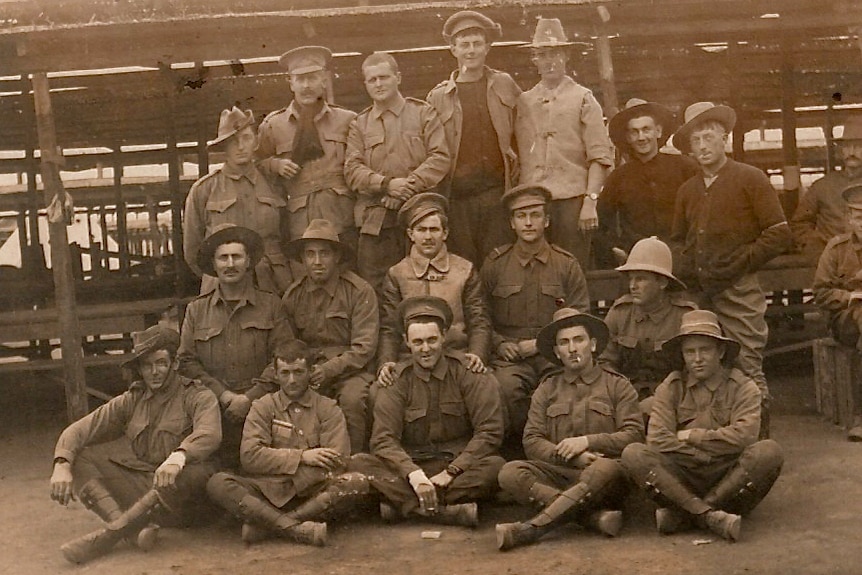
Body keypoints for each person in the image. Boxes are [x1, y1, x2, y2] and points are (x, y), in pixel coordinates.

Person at [670, 102, 793, 434]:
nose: (704, 146)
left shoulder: (750, 178)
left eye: (709, 137)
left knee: (747, 364)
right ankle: (718, 441)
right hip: (701, 294)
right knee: (704, 366)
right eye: (696, 141)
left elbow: (779, 233)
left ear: (724, 138)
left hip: (739, 290)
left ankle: (759, 442)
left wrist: (741, 261)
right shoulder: (687, 191)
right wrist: (689, 271)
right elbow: (679, 239)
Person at [50, 326, 221, 564]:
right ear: (139, 369)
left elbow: (209, 434)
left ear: (174, 364)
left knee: (196, 472)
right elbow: (79, 430)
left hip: (183, 502)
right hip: (145, 488)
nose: (154, 372)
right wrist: (62, 463)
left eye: (161, 363)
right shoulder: (133, 399)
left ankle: (110, 536)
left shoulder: (197, 396)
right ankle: (132, 530)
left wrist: (178, 458)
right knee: (81, 458)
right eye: (147, 365)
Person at [621, 310, 784, 542]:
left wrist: (691, 436)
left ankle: (686, 513)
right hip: (682, 474)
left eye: (705, 350)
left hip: (728, 474)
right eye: (690, 351)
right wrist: (708, 450)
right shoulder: (671, 387)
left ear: (720, 352)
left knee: (769, 451)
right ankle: (710, 516)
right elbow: (657, 440)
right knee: (633, 453)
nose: (697, 358)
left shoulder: (743, 387)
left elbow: (744, 437)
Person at [495, 308, 643, 550]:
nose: (572, 348)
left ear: (593, 345)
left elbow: (634, 434)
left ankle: (531, 529)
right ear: (556, 352)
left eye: (579, 340)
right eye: (564, 343)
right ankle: (590, 518)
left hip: (605, 476)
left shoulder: (617, 385)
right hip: (561, 473)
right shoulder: (547, 388)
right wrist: (570, 457)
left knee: (603, 470)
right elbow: (532, 440)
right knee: (509, 472)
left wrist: (588, 441)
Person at [350, 296, 505, 526]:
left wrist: (452, 471)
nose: (425, 349)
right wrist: (415, 476)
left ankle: (404, 506)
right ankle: (448, 512)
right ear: (406, 342)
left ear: (444, 336)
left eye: (432, 340)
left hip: (457, 468)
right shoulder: (396, 381)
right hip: (410, 468)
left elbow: (489, 432)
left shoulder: (468, 373)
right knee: (359, 463)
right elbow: (384, 440)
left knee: (496, 467)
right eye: (418, 341)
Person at [207, 341, 367, 546]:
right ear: (275, 374)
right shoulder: (262, 407)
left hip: (312, 493)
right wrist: (302, 456)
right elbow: (250, 457)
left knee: (357, 482)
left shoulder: (328, 409)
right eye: (285, 373)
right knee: (218, 483)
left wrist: (287, 470)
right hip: (267, 491)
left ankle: (269, 526)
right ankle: (297, 528)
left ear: (310, 372)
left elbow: (337, 459)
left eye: (299, 372)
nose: (292, 380)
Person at [480, 183, 590, 449]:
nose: (528, 223)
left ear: (547, 220)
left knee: (563, 388)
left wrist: (543, 343)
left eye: (535, 215)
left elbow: (580, 315)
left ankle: (559, 450)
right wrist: (499, 344)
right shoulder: (495, 264)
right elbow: (480, 315)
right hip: (511, 357)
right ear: (512, 223)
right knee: (503, 389)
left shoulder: (566, 264)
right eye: (521, 216)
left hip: (554, 355)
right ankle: (519, 452)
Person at [178, 225, 291, 469]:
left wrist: (249, 398)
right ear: (214, 264)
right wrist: (225, 396)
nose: (230, 264)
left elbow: (284, 357)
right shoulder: (196, 310)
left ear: (248, 261)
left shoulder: (271, 305)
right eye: (223, 257)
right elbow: (186, 362)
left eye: (237, 256)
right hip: (212, 408)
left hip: (263, 406)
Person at [345, 51, 450, 296]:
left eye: (384, 77)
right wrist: (386, 184)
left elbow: (439, 158)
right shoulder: (359, 124)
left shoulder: (423, 113)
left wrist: (406, 188)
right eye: (372, 80)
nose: (379, 84)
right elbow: (352, 170)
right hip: (377, 221)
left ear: (398, 78)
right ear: (366, 84)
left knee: (423, 283)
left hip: (419, 216)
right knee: (376, 289)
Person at [515, 18, 614, 268]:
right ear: (534, 59)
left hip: (572, 202)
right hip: (534, 200)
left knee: (572, 268)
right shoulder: (523, 102)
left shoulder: (583, 98)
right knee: (535, 269)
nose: (550, 61)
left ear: (567, 55)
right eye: (543, 54)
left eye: (556, 53)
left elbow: (599, 156)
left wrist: (590, 201)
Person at [426, 10, 520, 264]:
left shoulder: (504, 84)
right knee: (464, 265)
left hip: (498, 193)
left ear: (487, 47)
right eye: (464, 45)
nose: (471, 50)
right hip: (458, 199)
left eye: (477, 44)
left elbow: (523, 131)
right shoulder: (437, 97)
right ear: (453, 49)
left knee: (499, 262)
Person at [279, 218, 378, 453]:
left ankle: (354, 461)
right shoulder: (293, 295)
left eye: (324, 253)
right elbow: (288, 345)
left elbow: (364, 348)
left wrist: (329, 369)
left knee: (352, 401)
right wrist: (307, 371)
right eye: (310, 254)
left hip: (353, 372)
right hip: (309, 371)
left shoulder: (359, 291)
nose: (317, 261)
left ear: (337, 257)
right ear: (302, 259)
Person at [256, 45, 358, 266]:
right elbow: (255, 165)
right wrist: (275, 164)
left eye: (312, 78)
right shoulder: (274, 125)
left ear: (324, 79)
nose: (306, 86)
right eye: (299, 79)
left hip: (341, 220)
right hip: (299, 225)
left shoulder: (347, 120)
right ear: (290, 82)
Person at [377, 192, 491, 385]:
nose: (428, 236)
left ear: (445, 233)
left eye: (434, 229)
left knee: (489, 388)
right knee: (380, 393)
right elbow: (389, 327)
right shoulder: (397, 274)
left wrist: (477, 354)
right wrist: (387, 362)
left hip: (458, 358)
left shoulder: (465, 270)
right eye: (421, 230)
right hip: (410, 362)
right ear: (411, 234)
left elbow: (479, 321)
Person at [183, 106, 291, 295]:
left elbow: (287, 236)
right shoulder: (204, 190)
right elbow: (193, 252)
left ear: (255, 141)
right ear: (224, 147)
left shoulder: (274, 185)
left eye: (246, 138)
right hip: (224, 290)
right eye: (233, 142)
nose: (240, 147)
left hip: (272, 286)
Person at [600, 236, 696, 417]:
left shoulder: (684, 316)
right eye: (630, 278)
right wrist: (622, 395)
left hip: (674, 400)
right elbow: (604, 361)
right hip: (625, 395)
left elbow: (696, 371)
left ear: (662, 283)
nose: (632, 286)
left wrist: (663, 398)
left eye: (641, 279)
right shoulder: (620, 312)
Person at [598, 98, 698, 267]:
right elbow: (602, 223)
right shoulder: (618, 177)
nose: (641, 137)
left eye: (646, 130)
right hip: (638, 260)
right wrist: (616, 250)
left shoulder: (685, 167)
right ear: (628, 137)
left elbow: (703, 211)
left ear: (658, 131)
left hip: (681, 258)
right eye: (634, 132)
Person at [813, 182, 862, 440]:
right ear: (849, 219)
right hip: (845, 321)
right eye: (859, 215)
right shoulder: (836, 249)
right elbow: (820, 293)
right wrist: (850, 297)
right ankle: (859, 416)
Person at [792, 116, 862, 262]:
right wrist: (818, 248)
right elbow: (799, 224)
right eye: (847, 146)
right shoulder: (822, 186)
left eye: (859, 146)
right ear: (841, 151)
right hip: (832, 262)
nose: (852, 152)